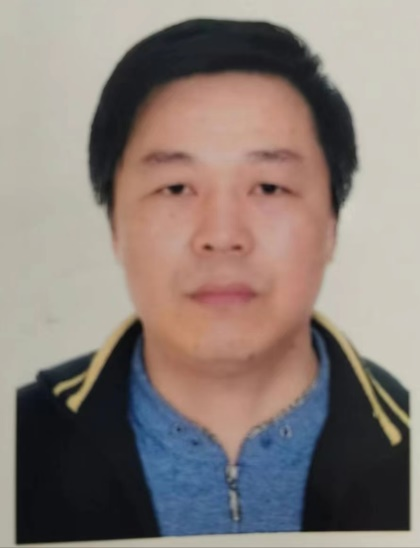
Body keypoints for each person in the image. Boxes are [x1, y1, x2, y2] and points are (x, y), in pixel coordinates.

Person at [16, 18, 410, 545]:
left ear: (331, 225)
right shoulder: (19, 445)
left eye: (268, 187)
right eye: (176, 188)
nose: (222, 236)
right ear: (115, 225)